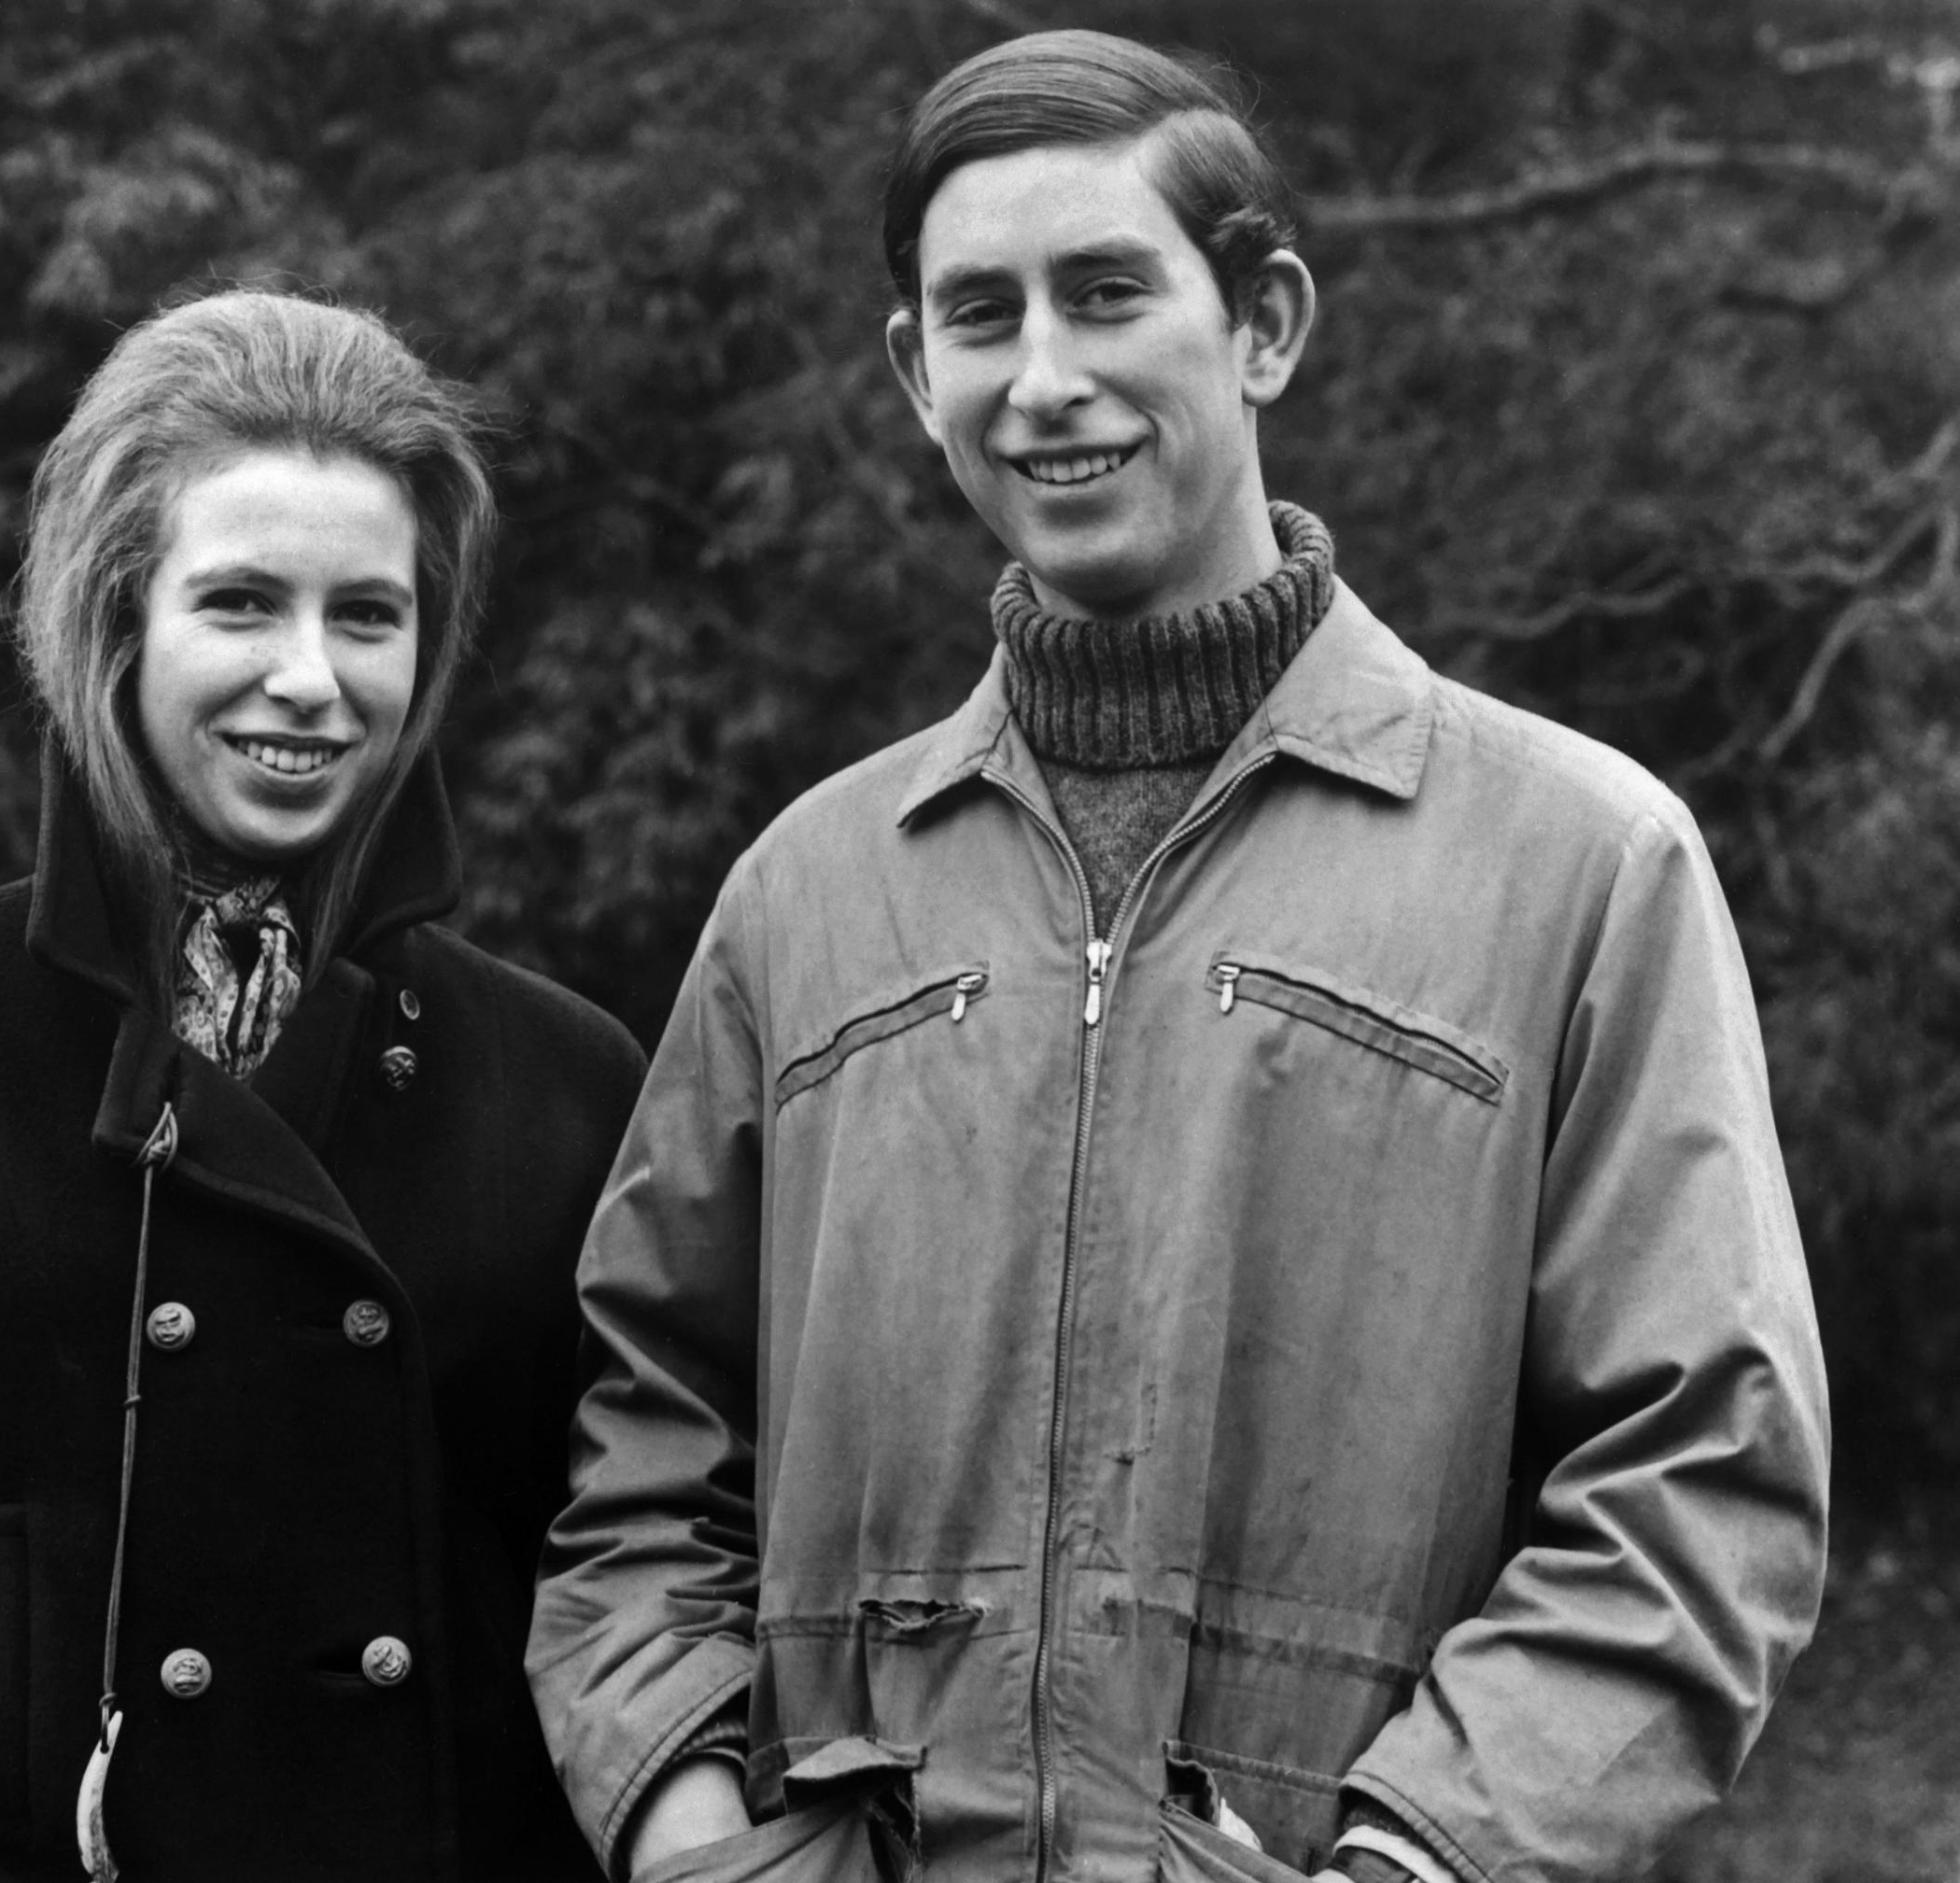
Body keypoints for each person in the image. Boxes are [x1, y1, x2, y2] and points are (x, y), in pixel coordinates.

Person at [529, 31, 1829, 1883]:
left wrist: (1416, 1860)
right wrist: (685, 1820)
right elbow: (641, 1442)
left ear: (1263, 322)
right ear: (914, 373)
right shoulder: (805, 894)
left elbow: (1703, 1469)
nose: (1044, 378)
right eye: (977, 314)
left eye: (1108, 291)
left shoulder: (1580, 864)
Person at [0, 288, 642, 1881]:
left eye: (368, 616)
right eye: (240, 603)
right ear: (116, 622)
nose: (311, 679)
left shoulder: (565, 1081)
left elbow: (644, 1571)